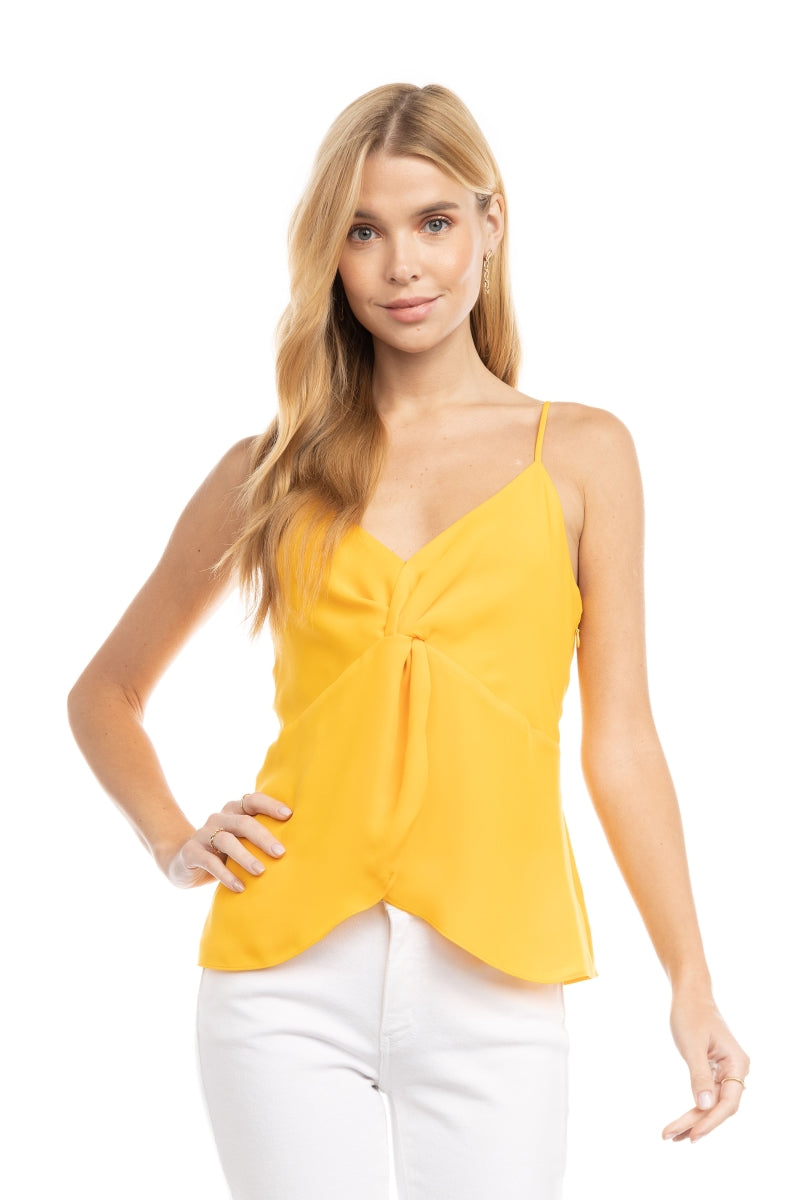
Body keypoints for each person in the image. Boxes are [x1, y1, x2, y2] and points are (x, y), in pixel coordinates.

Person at [67, 82, 749, 1199]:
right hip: (281, 976)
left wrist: (690, 983)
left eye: (433, 222)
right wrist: (173, 840)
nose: (402, 266)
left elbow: (620, 739)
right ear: (330, 257)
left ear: (491, 220)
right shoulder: (268, 472)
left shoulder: (582, 454)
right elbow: (104, 693)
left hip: (498, 973)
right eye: (362, 232)